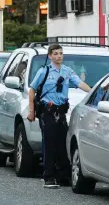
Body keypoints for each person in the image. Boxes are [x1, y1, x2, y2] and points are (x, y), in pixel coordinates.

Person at [27, 44, 91, 188]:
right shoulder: (44, 71)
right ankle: (48, 177)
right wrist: (32, 111)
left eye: (61, 53)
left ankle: (63, 176)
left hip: (61, 112)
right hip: (48, 112)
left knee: (63, 144)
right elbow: (32, 90)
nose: (59, 56)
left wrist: (93, 92)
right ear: (50, 56)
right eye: (55, 53)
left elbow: (80, 84)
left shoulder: (67, 72)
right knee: (49, 145)